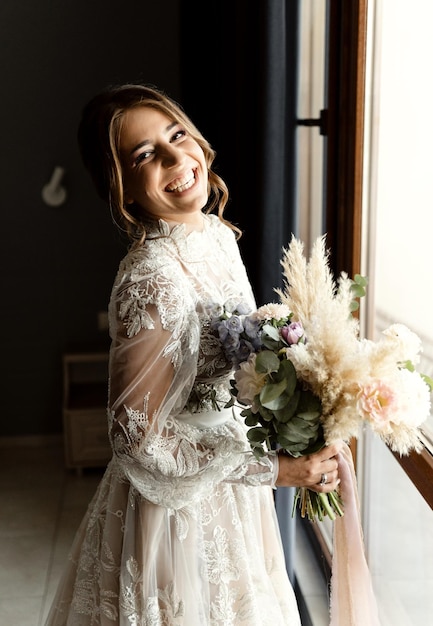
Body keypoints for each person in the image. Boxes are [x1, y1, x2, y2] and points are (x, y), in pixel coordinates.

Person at [45, 83, 342, 626]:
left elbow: (232, 357)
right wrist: (273, 469)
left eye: (175, 134)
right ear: (123, 189)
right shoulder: (152, 278)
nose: (174, 158)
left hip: (233, 497)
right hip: (178, 513)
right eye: (143, 155)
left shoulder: (213, 233)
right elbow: (135, 437)